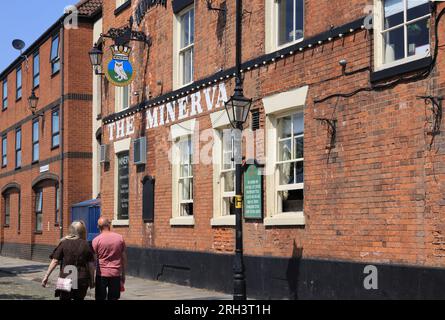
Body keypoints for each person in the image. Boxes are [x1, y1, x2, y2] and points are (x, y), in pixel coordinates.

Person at [42, 221, 95, 300]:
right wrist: (92, 280)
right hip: (81, 278)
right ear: (83, 232)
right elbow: (91, 265)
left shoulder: (64, 243)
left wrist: (46, 276)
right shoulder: (86, 245)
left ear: (71, 230)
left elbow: (55, 261)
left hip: (66, 277)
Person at [92, 217, 127, 300]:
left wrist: (92, 277)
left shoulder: (96, 240)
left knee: (100, 298)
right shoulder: (120, 238)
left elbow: (93, 261)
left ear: (98, 227)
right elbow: (124, 258)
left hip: (101, 275)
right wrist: (123, 274)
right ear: (109, 225)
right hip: (115, 274)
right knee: (114, 298)